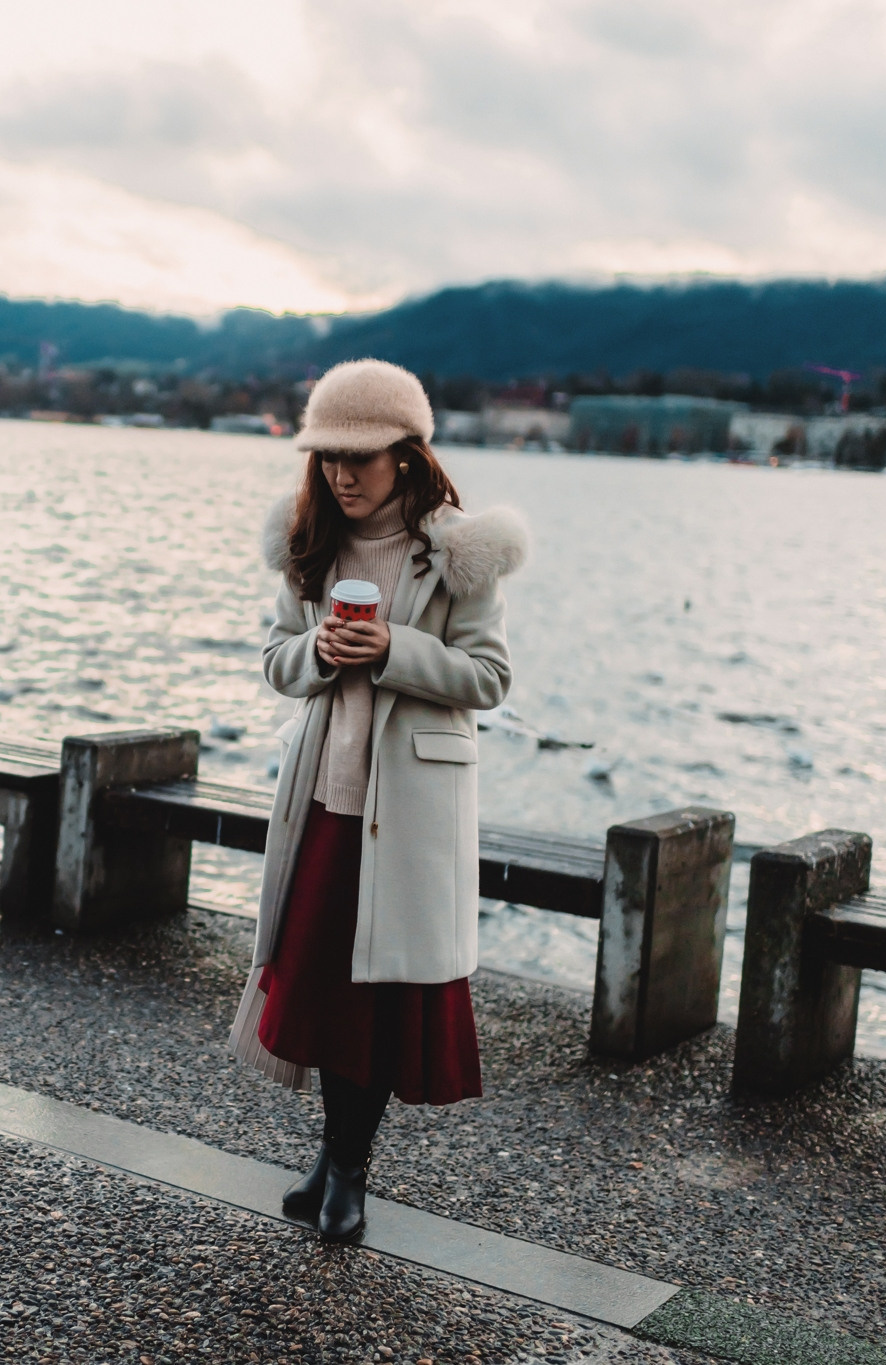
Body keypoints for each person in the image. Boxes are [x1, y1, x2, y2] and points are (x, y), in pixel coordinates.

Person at [231, 359, 529, 1242]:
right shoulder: (308, 544)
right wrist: (321, 651)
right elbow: (277, 662)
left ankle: (349, 1174)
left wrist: (392, 647)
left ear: (407, 454)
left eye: (359, 458)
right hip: (325, 798)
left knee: (372, 1000)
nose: (340, 475)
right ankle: (331, 1163)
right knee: (325, 991)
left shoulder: (459, 553)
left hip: (409, 812)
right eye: (327, 458)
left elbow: (490, 677)